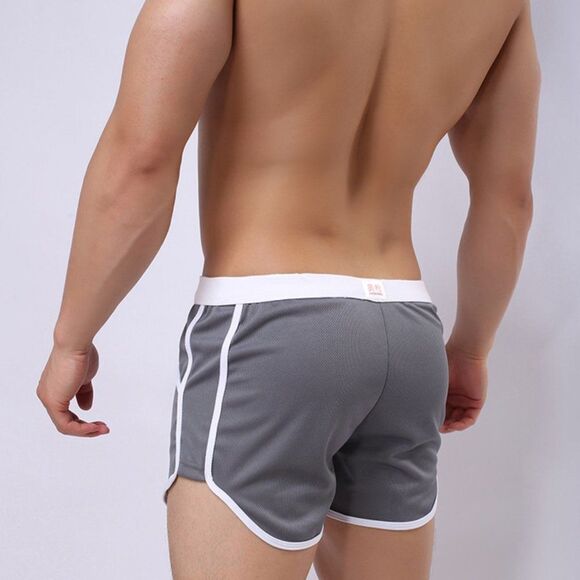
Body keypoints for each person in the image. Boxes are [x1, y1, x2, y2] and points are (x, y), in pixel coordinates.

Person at [36, 1, 540, 578]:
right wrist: (471, 348)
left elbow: (141, 161)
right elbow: (509, 198)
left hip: (268, 330)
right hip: (408, 339)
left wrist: (72, 339)